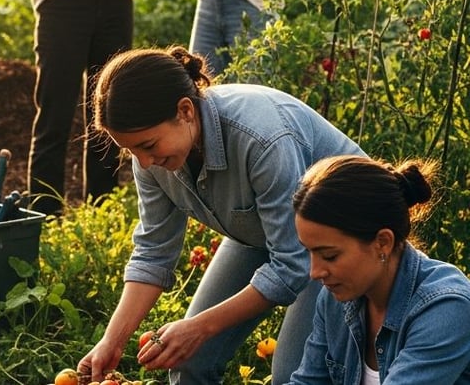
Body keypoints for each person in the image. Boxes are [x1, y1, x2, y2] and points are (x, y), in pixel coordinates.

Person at [78, 46, 365, 384]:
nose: (142, 162)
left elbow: (293, 265)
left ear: (185, 111)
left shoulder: (261, 138)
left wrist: (199, 328)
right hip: (262, 231)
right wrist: (111, 342)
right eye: (130, 150)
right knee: (189, 363)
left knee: (293, 374)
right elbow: (154, 252)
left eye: (147, 145)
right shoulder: (152, 160)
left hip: (341, 239)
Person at [1, 0, 146, 216]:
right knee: (56, 110)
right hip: (61, 1)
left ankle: (102, 211)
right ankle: (45, 213)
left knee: (109, 107)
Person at [288, 156, 470, 384]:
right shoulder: (335, 299)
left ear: (382, 242)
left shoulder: (447, 308)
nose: (315, 272)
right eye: (309, 252)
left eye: (329, 256)